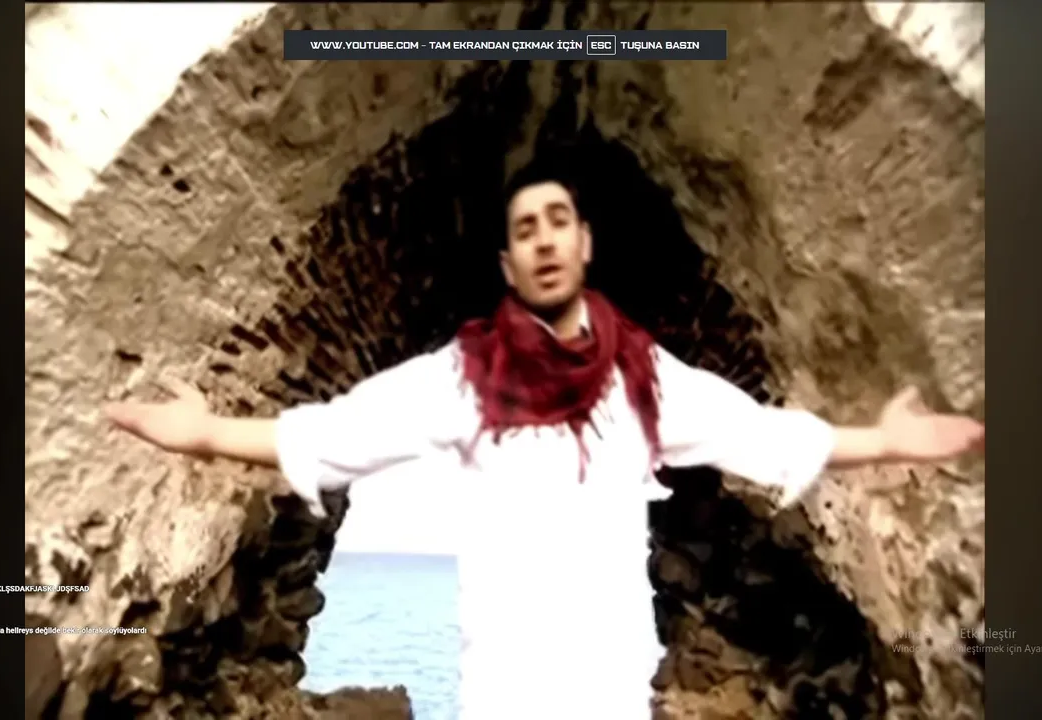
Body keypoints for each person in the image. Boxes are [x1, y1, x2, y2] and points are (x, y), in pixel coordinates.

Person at [105, 160, 984, 719]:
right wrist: (204, 433)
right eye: (525, 230)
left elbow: (760, 436)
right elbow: (336, 435)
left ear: (585, 242)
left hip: (610, 691)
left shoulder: (643, 378)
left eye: (558, 220)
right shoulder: (464, 377)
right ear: (508, 265)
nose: (544, 240)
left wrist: (886, 440)